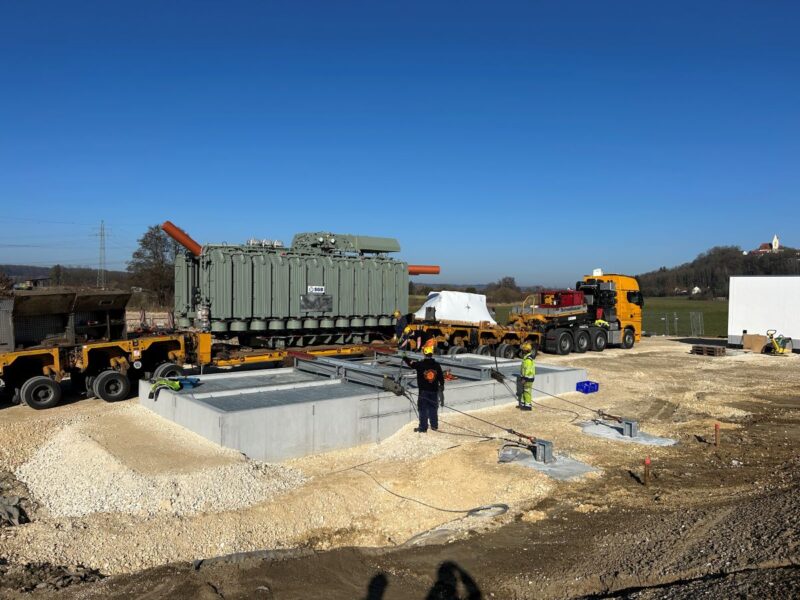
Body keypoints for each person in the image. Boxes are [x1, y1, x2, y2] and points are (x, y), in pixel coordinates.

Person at [402, 344, 444, 433]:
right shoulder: (437, 365)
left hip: (423, 392)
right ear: (432, 354)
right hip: (434, 391)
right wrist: (442, 385)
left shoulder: (420, 364)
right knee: (433, 408)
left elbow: (411, 364)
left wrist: (404, 357)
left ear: (424, 354)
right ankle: (434, 426)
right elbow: (441, 377)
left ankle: (423, 427)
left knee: (422, 408)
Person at [518, 342, 535, 411]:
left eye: (522, 350)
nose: (521, 351)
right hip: (527, 378)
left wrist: (524, 378)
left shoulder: (528, 360)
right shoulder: (526, 358)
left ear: (525, 350)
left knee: (527, 392)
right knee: (525, 391)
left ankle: (528, 406)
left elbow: (527, 370)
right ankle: (524, 404)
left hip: (528, 379)